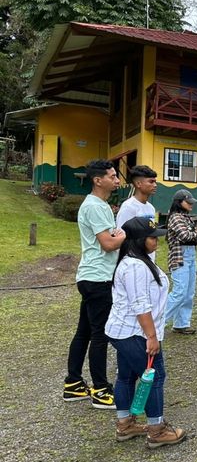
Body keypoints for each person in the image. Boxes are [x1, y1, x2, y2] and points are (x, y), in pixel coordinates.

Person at [105, 217, 185, 448]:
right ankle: (156, 430)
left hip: (127, 331)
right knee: (154, 377)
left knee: (127, 376)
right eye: (152, 237)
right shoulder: (135, 267)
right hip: (134, 332)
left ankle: (125, 424)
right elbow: (140, 304)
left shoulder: (139, 261)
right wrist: (151, 336)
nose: (157, 240)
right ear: (139, 241)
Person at [63, 159, 126, 409]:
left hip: (91, 277)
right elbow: (109, 244)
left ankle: (74, 383)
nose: (117, 180)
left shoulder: (97, 205)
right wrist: (125, 234)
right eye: (112, 176)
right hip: (98, 278)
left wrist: (115, 235)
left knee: (85, 331)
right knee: (100, 335)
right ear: (98, 180)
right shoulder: (96, 206)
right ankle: (101, 389)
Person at [164, 189, 197, 335]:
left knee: (188, 293)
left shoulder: (186, 218)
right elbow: (185, 236)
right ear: (179, 202)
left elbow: (194, 240)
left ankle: (181, 324)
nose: (191, 205)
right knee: (179, 292)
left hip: (190, 256)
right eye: (188, 202)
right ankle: (157, 322)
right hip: (179, 257)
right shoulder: (175, 217)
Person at [115, 165, 158, 230]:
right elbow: (121, 233)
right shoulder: (128, 207)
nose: (155, 185)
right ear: (138, 184)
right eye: (151, 182)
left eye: (155, 182)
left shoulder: (151, 208)